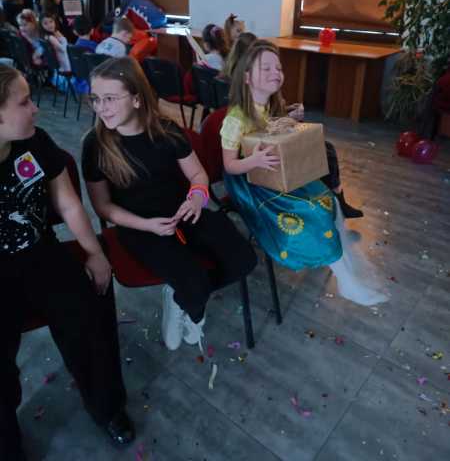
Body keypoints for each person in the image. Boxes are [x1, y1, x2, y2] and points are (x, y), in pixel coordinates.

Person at [0, 65, 135, 461]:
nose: (35, 108)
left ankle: (107, 407)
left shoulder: (35, 141)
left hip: (39, 252)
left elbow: (68, 203)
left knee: (90, 311)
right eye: (24, 102)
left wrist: (95, 253)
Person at [81, 57, 257, 352]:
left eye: (110, 98)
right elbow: (104, 207)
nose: (101, 107)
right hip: (138, 225)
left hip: (183, 211)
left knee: (244, 260)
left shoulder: (166, 131)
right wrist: (146, 225)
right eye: (96, 99)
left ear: (137, 99)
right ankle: (191, 304)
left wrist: (197, 197)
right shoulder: (96, 145)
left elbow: (198, 175)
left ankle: (180, 299)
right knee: (194, 282)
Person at [220, 40, 388, 306]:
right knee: (313, 211)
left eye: (278, 68)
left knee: (328, 199)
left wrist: (288, 121)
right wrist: (254, 160)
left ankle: (338, 260)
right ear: (247, 78)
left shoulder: (267, 105)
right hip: (250, 182)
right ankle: (344, 278)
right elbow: (229, 165)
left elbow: (271, 135)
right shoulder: (235, 119)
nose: (276, 72)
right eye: (266, 68)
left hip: (273, 172)